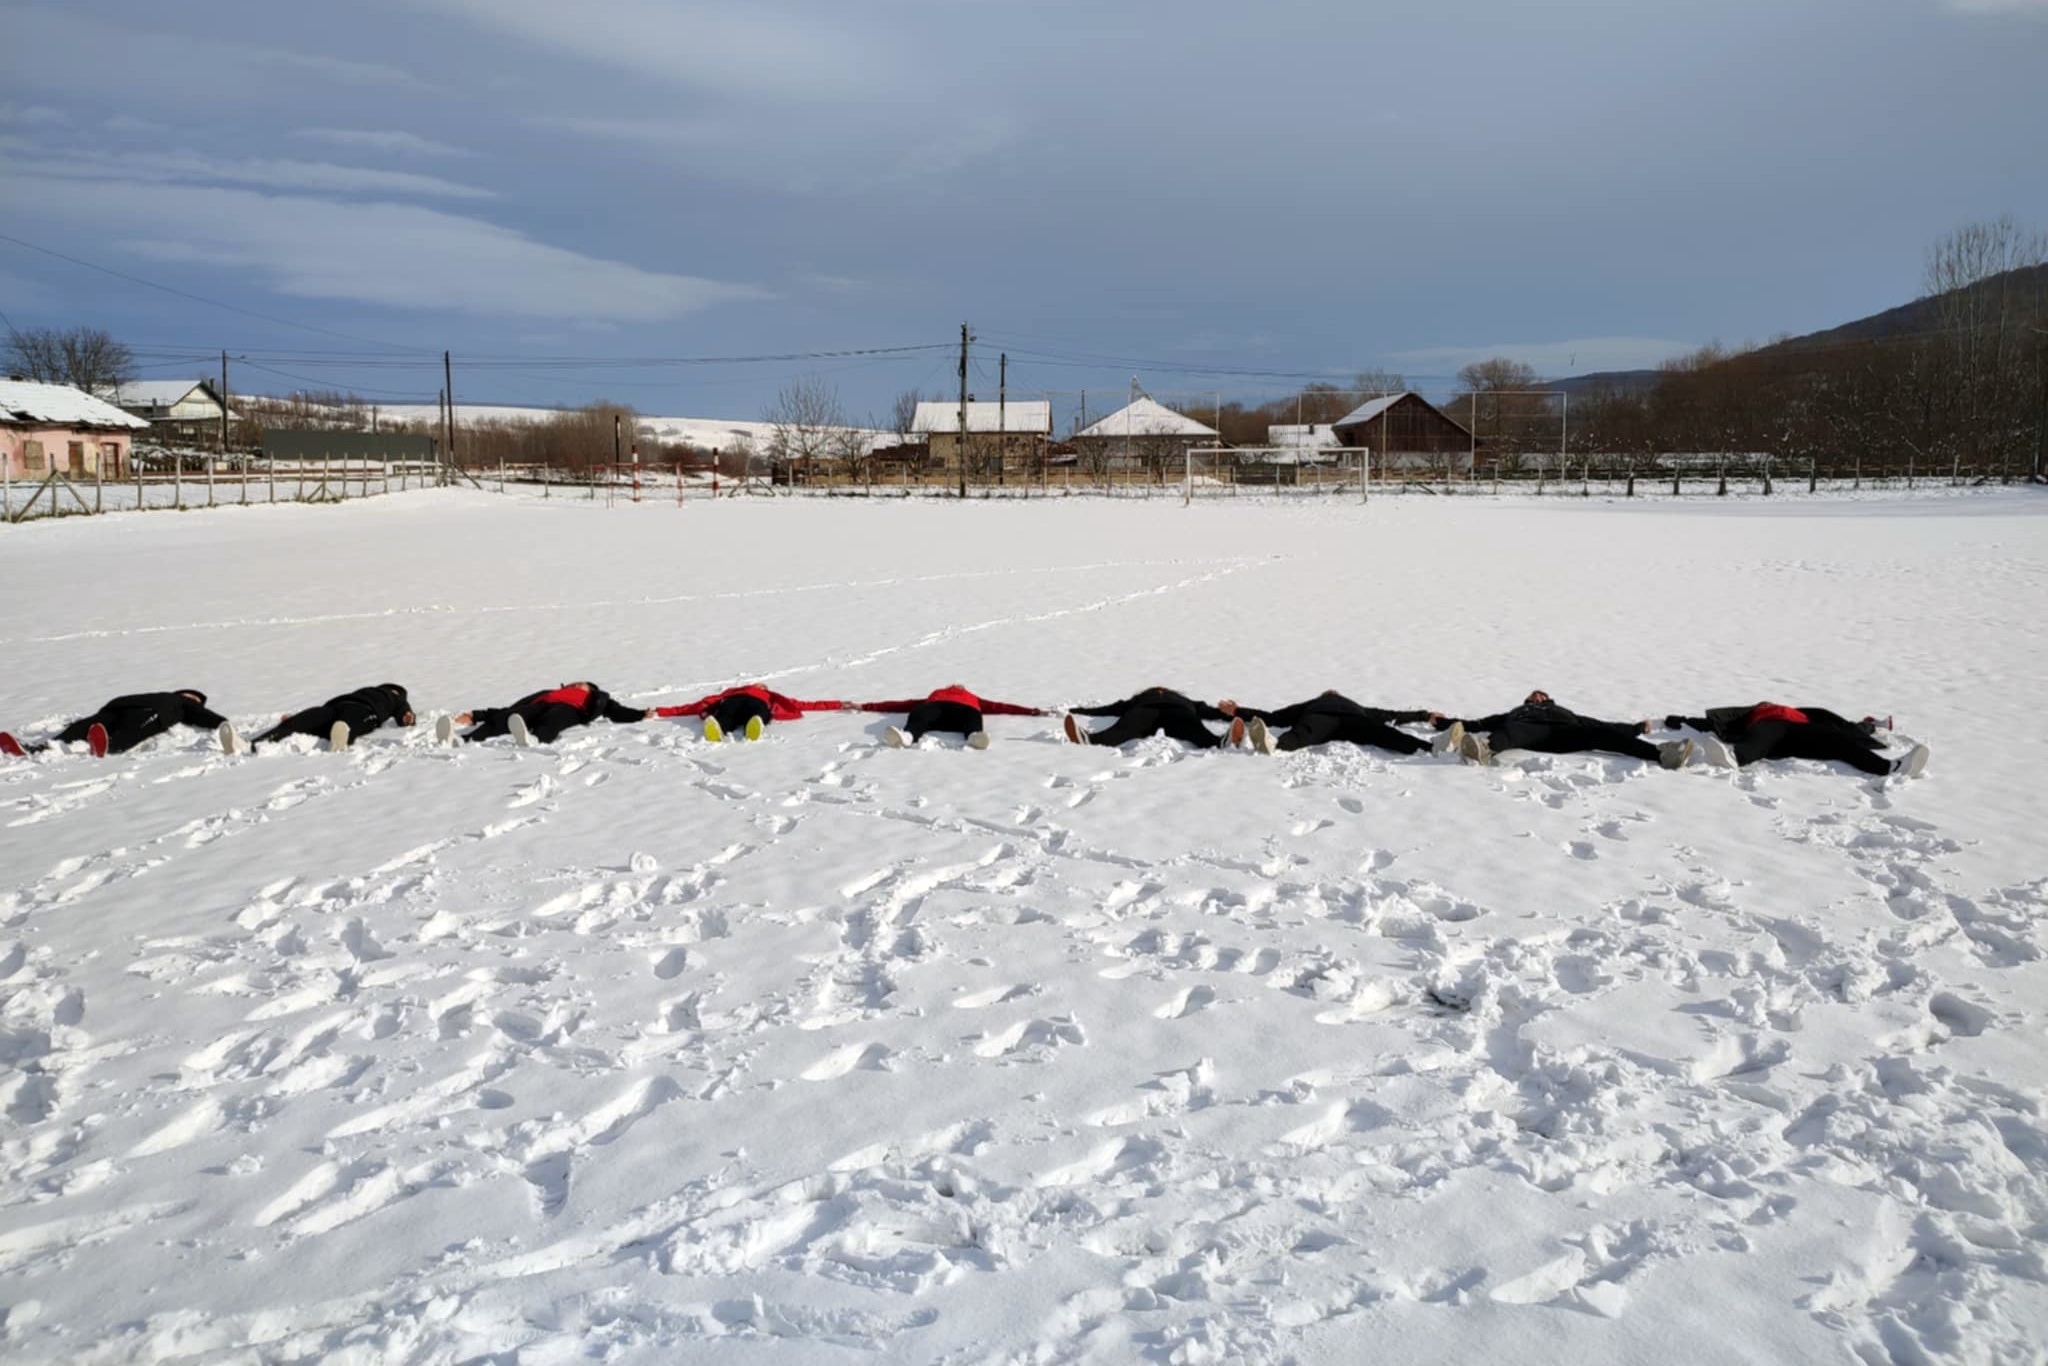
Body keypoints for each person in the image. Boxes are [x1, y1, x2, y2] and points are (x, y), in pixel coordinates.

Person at [1432, 690, 1693, 768]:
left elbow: (1599, 724)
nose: (1537, 698)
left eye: (1541, 696)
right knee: (1506, 733)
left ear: (1548, 699)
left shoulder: (1565, 712)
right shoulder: (1516, 713)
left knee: (1604, 736)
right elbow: (1480, 724)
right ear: (1527, 701)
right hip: (1529, 734)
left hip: (1566, 733)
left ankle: (1662, 755)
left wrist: (1635, 728)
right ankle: (1483, 751)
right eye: (1533, 697)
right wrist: (1442, 722)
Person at [1664, 703, 1929, 778]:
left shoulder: (1805, 713)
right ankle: (1734, 759)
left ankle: (1890, 768)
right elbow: (1712, 722)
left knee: (1837, 738)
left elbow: (1847, 726)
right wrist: (1678, 719)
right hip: (1768, 728)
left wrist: (1871, 726)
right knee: (1762, 739)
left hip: (1800, 729)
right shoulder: (1754, 713)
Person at [1, 689, 227, 758]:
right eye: (194, 698)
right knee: (129, 732)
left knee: (84, 727)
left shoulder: (168, 697)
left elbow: (202, 716)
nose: (194, 700)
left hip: (117, 708)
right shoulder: (177, 702)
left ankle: (42, 748)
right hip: (142, 712)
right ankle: (108, 745)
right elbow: (202, 715)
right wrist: (223, 724)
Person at [1218, 690, 1438, 757]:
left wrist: (1425, 715)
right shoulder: (1316, 702)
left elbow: (1392, 715)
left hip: (1338, 720)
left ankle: (1433, 749)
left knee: (1386, 733)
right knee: (1385, 733)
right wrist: (1238, 711)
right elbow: (1276, 717)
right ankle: (1268, 743)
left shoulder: (1355, 706)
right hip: (1337, 719)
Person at [444, 681, 650, 745]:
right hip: (539, 706)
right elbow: (511, 708)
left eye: (581, 684)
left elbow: (617, 711)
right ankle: (465, 740)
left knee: (554, 718)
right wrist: (476, 715)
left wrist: (640, 714)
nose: (576, 684)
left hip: (571, 711)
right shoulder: (548, 693)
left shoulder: (596, 699)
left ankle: (535, 739)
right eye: (574, 683)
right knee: (508, 717)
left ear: (590, 689)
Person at [238, 683, 415, 753]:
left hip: (365, 710)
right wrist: (295, 719)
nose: (392, 690)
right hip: (334, 706)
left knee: (347, 724)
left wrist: (408, 717)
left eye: (395, 690)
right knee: (302, 720)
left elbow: (405, 715)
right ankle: (253, 744)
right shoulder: (368, 689)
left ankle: (339, 741)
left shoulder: (399, 700)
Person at [858, 684, 1046, 749]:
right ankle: (907, 737)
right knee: (920, 713)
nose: (956, 687)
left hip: (962, 712)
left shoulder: (973, 698)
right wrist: (865, 706)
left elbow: (1000, 706)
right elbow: (902, 704)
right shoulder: (936, 694)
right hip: (937, 709)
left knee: (972, 715)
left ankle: (974, 737)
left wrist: (1032, 711)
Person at [1062, 686, 1242, 749]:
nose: (1160, 688)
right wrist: (1077, 711)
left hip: (1177, 713)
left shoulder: (1186, 701)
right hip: (1145, 712)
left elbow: (1208, 711)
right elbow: (1109, 709)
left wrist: (1232, 713)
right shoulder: (1138, 699)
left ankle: (1222, 742)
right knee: (1124, 729)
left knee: (1196, 730)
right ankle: (1088, 739)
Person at [654, 684, 848, 742]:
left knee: (748, 712)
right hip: (737, 702)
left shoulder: (766, 695)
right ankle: (724, 726)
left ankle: (741, 725)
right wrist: (659, 711)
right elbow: (690, 707)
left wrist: (838, 704)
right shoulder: (731, 693)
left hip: (745, 703)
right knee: (737, 713)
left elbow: (810, 704)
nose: (758, 685)